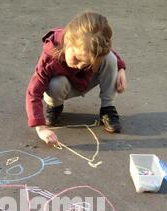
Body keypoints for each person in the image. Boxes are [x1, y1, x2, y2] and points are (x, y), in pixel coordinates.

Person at [26, 11, 127, 146]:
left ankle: (107, 108)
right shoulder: (50, 58)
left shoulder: (89, 48)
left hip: (86, 81)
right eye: (77, 59)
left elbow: (106, 51)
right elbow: (33, 92)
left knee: (110, 59)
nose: (79, 65)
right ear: (68, 41)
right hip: (64, 87)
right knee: (55, 84)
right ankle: (55, 106)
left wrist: (120, 68)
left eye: (86, 63)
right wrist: (41, 128)